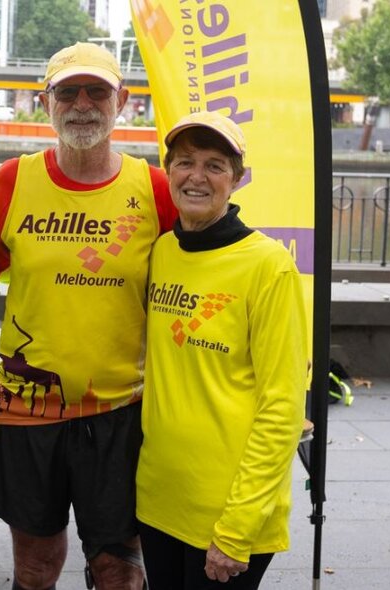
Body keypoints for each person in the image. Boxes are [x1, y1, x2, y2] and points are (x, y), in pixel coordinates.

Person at [0, 42, 177, 590]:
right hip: (30, 408)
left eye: (97, 91)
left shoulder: (155, 189)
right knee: (35, 568)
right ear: (47, 102)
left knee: (119, 572)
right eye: (67, 91)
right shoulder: (12, 183)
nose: (82, 104)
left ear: (123, 100)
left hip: (121, 410)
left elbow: (195, 283)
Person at [135, 111, 307, 588]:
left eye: (214, 165)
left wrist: (237, 527)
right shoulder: (163, 251)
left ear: (236, 179)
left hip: (228, 514)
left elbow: (283, 407)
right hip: (160, 501)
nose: (197, 176)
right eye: (185, 162)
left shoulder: (268, 266)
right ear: (167, 171)